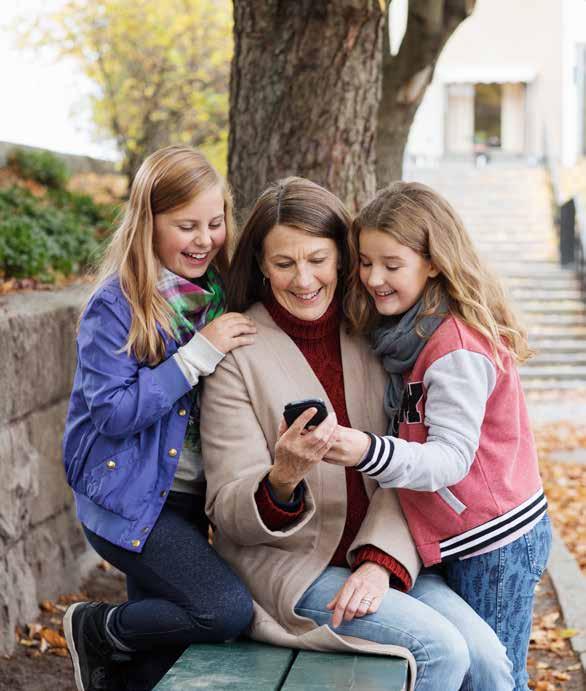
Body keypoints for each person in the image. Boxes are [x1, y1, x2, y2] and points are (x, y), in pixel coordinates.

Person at [200, 176, 514, 691]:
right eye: (284, 264)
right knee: (440, 651)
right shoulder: (238, 354)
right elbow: (227, 512)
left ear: (342, 259)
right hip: (294, 567)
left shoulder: (372, 335)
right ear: (260, 265)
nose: (303, 280)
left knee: (488, 663)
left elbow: (406, 462)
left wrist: (379, 563)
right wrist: (284, 477)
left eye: (317, 259)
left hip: (380, 552)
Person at [326, 181, 551, 690]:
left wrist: (366, 450)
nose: (373, 277)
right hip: (453, 535)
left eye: (391, 263)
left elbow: (450, 460)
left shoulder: (453, 346)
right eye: (364, 261)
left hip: (493, 541)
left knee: (496, 675)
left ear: (432, 262)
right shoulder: (411, 333)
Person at [61, 145, 256, 691]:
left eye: (214, 223)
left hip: (187, 497)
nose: (204, 239)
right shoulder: (117, 305)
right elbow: (113, 412)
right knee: (224, 611)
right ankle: (96, 628)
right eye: (186, 225)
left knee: (158, 660)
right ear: (149, 224)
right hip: (126, 501)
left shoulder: (219, 298)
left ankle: (112, 666)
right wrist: (196, 356)